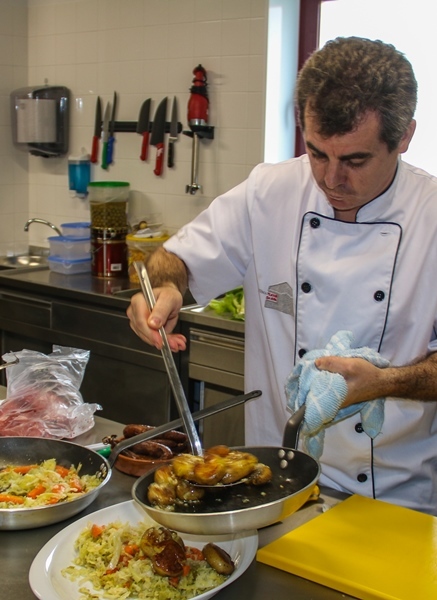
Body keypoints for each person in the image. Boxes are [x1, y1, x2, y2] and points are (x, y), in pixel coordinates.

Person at [127, 37, 437, 515]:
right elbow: (175, 259)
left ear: (405, 137)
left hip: (394, 501)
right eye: (317, 153)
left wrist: (383, 382)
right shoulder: (269, 192)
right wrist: (164, 287)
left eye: (355, 160)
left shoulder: (431, 216)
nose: (332, 179)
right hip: (273, 486)